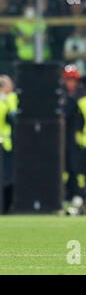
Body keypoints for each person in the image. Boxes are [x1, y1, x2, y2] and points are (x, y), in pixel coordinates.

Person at [62, 65, 85, 201]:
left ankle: (79, 193)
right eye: (68, 80)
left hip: (81, 137)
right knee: (65, 167)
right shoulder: (60, 96)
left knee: (78, 167)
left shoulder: (83, 97)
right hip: (65, 137)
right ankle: (66, 193)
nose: (71, 83)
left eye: (73, 80)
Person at [0, 74, 17, 214]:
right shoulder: (7, 99)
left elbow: (13, 117)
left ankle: (6, 207)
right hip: (5, 143)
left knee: (8, 177)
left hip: (7, 143)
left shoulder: (10, 98)